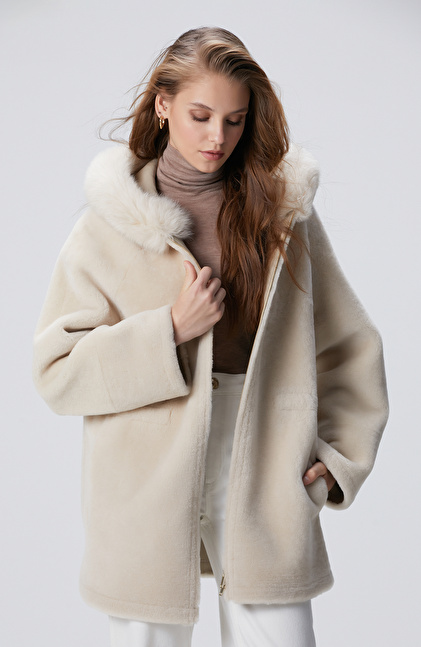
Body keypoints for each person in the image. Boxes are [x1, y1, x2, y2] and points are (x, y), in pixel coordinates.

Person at [33, 26, 388, 647]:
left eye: (234, 120)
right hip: (145, 471)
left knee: (278, 634)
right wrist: (169, 331)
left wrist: (338, 462)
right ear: (163, 105)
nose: (217, 137)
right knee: (149, 635)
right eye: (200, 116)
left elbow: (349, 345)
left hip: (264, 453)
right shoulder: (110, 224)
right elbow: (58, 372)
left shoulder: (282, 214)